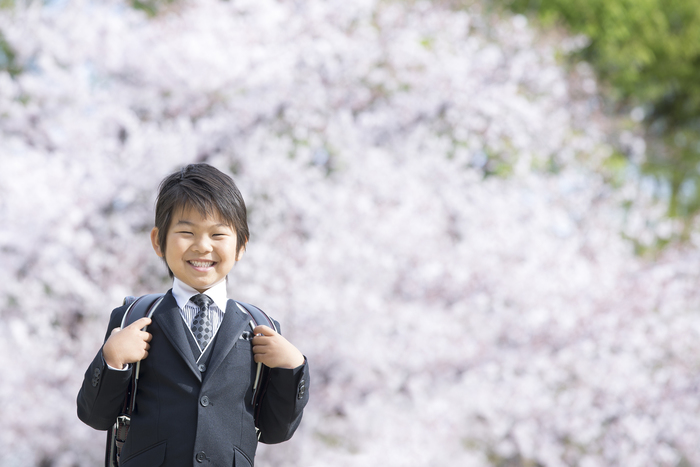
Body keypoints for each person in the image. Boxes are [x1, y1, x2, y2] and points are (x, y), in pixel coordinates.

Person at [77, 163, 309, 467]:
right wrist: (111, 359)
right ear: (158, 241)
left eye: (218, 234)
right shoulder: (134, 317)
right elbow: (95, 415)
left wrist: (292, 368)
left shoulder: (260, 327)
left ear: (241, 246)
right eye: (186, 232)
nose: (202, 246)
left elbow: (276, 430)